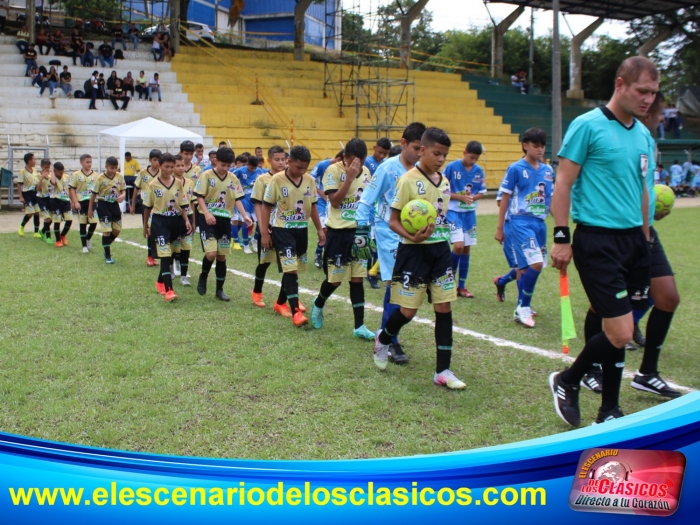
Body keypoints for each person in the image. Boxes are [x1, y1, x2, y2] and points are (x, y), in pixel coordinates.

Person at [549, 56, 658, 427]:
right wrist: (561, 238)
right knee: (622, 332)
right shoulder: (588, 125)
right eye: (642, 91)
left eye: (653, 94)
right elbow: (562, 183)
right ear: (621, 83)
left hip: (634, 243)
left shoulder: (644, 135)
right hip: (597, 241)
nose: (648, 100)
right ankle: (567, 379)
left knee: (611, 327)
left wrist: (645, 240)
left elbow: (643, 192)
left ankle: (609, 409)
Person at [372, 127, 464, 389]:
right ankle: (384, 338)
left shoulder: (444, 182)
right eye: (437, 153)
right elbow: (392, 221)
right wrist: (412, 237)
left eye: (445, 155)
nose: (441, 159)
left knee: (444, 308)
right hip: (413, 251)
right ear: (422, 150)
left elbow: (441, 217)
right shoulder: (408, 180)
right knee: (408, 311)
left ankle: (442, 371)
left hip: (440, 251)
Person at [356, 122, 426, 365]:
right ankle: (389, 340)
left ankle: (386, 335)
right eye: (416, 147)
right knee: (396, 285)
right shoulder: (388, 169)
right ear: (404, 143)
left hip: (413, 236)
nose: (420, 153)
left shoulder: (421, 171)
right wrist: (361, 237)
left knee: (406, 287)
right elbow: (366, 200)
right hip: (388, 232)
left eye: (423, 149)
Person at [311, 138, 375, 339]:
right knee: (335, 280)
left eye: (361, 162)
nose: (358, 166)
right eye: (353, 161)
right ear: (344, 157)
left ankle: (359, 326)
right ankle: (318, 304)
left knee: (357, 280)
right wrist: (349, 177)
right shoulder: (333, 171)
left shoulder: (367, 172)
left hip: (360, 232)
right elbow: (336, 202)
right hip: (338, 232)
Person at [495, 129, 553, 328]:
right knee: (532, 264)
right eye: (535, 145)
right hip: (519, 222)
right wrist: (500, 227)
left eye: (542, 146)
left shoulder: (548, 171)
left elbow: (549, 200)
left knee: (528, 267)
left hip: (539, 224)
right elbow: (503, 198)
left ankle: (521, 302)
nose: (539, 149)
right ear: (525, 145)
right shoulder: (515, 168)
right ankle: (522, 306)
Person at [260, 146, 323, 326]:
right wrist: (265, 233)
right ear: (289, 162)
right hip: (282, 230)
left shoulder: (309, 180)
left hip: (301, 230)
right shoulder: (277, 180)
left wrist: (319, 229)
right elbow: (266, 206)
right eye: (298, 167)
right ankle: (296, 311)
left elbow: (313, 206)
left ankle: (280, 303)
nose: (301, 171)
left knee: (293, 269)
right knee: (291, 269)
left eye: (305, 168)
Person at [194, 147, 252, 301]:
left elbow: (237, 198)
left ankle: (219, 290)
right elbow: (199, 196)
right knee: (211, 253)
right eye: (223, 165)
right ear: (216, 161)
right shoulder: (206, 175)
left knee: (221, 256)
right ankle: (203, 276)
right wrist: (206, 213)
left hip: (225, 220)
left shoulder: (233, 178)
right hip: (208, 219)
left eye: (228, 165)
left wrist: (245, 215)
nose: (225, 168)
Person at [143, 153, 193, 302]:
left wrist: (186, 220)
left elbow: (183, 204)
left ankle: (159, 282)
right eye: (166, 166)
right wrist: (146, 226)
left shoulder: (178, 183)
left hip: (176, 221)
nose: (169, 169)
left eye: (171, 167)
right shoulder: (152, 185)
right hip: (160, 222)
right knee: (164, 254)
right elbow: (147, 207)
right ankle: (169, 290)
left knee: (171, 254)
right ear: (159, 166)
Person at [445, 140, 486, 298]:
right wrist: (460, 197)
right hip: (453, 212)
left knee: (467, 248)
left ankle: (461, 286)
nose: (473, 161)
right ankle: (449, 280)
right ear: (464, 152)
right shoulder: (451, 167)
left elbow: (481, 192)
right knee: (458, 246)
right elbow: (443, 190)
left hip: (469, 214)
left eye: (476, 158)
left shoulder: (478, 171)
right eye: (471, 157)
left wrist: (472, 197)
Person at [250, 145, 288, 309]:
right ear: (269, 160)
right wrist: (263, 228)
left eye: (283, 159)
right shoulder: (262, 179)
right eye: (277, 159)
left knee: (288, 264)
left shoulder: (289, 177)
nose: (281, 163)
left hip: (285, 227)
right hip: (268, 226)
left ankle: (289, 296)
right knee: (264, 262)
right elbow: (258, 205)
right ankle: (257, 291)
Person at [88, 157, 126, 264]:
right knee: (107, 231)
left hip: (114, 205)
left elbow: (123, 191)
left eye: (115, 168)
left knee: (117, 230)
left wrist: (122, 196)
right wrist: (90, 209)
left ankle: (106, 246)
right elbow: (93, 194)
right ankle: (108, 256)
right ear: (106, 167)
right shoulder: (100, 178)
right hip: (103, 205)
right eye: (111, 168)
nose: (113, 170)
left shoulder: (119, 177)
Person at [309, 151, 344, 268]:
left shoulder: (344, 169)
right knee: (324, 230)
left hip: (333, 202)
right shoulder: (322, 165)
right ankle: (318, 254)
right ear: (339, 159)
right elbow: (310, 181)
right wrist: (322, 193)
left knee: (332, 230)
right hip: (319, 201)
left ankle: (331, 256)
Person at [132, 149, 162, 266]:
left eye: (158, 160)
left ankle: (156, 255)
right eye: (154, 160)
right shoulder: (143, 173)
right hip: (146, 205)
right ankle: (150, 256)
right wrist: (133, 204)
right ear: (150, 160)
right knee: (149, 230)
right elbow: (136, 187)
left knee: (157, 230)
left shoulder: (162, 172)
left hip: (159, 205)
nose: (156, 162)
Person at [172, 154, 196, 285]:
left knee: (186, 248)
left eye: (183, 165)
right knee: (174, 247)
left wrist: (193, 221)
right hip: (174, 217)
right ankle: (171, 270)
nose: (181, 168)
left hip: (188, 217)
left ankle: (183, 275)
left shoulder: (190, 183)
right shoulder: (169, 182)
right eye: (178, 166)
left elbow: (192, 203)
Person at [232, 155, 264, 253]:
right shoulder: (240, 171)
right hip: (244, 199)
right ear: (247, 164)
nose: (253, 170)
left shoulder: (259, 171)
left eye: (254, 168)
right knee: (247, 222)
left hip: (256, 199)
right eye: (251, 168)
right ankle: (246, 245)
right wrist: (238, 186)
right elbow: (230, 179)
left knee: (260, 222)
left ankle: (255, 240)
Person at [68, 154, 99, 253]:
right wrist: (75, 201)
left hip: (92, 201)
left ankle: (88, 238)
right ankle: (84, 246)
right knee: (83, 224)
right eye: (87, 162)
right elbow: (72, 189)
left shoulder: (96, 175)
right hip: (81, 201)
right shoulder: (76, 175)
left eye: (90, 162)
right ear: (81, 162)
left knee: (93, 222)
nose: (89, 164)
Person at [493, 189, 518, 302]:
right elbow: (500, 201)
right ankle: (523, 305)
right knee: (521, 267)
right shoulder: (512, 172)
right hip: (512, 225)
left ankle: (501, 282)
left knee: (533, 265)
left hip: (533, 226)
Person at [16, 152, 41, 238]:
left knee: (37, 212)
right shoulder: (22, 171)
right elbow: (19, 184)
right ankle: (21, 226)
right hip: (26, 193)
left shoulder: (35, 170)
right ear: (29, 161)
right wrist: (21, 196)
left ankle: (36, 232)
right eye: (34, 159)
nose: (35, 161)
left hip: (34, 193)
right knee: (30, 213)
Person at [49, 162, 73, 247]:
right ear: (55, 171)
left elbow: (69, 189)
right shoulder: (52, 177)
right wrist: (52, 171)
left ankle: (63, 235)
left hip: (66, 200)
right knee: (57, 221)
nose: (61, 174)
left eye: (62, 172)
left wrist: (73, 201)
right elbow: (53, 182)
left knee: (69, 220)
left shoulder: (66, 177)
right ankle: (58, 240)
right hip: (55, 201)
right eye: (59, 172)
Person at [35, 158, 55, 244]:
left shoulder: (51, 175)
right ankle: (48, 237)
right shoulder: (38, 176)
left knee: (51, 218)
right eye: (45, 167)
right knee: (47, 218)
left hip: (50, 198)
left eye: (48, 167)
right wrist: (42, 178)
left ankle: (43, 231)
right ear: (41, 166)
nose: (47, 169)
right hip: (41, 198)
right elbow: (38, 189)